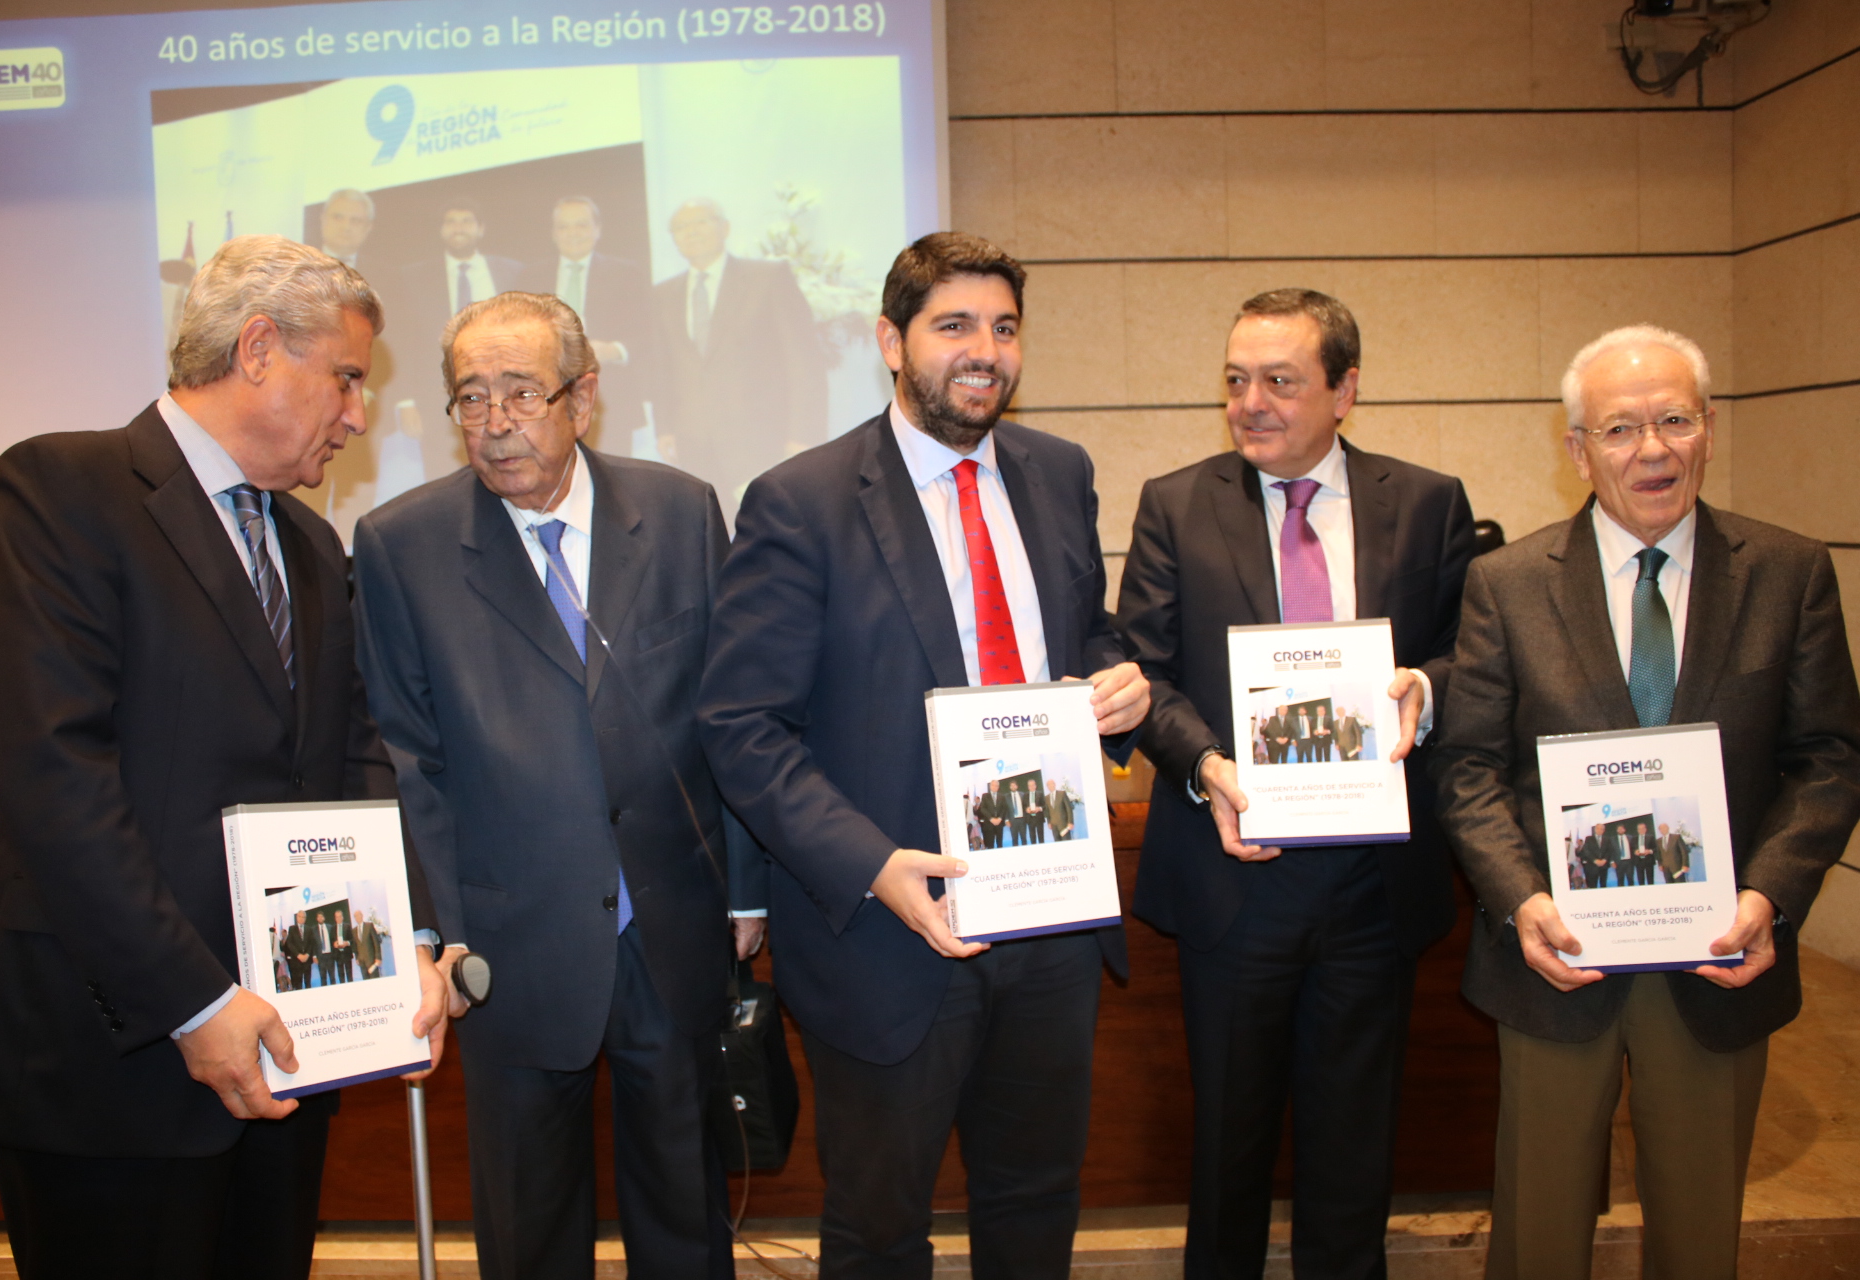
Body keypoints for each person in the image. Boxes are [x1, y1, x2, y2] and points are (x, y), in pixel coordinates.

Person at [0, 234, 446, 1279]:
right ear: (259, 348)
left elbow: (351, 763)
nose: (359, 412)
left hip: (284, 1057)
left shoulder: (309, 544)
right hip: (116, 1061)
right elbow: (57, 782)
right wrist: (195, 1000)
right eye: (347, 377)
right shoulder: (58, 492)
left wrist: (399, 941)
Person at [698, 231, 1149, 1277]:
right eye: (953, 326)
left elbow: (1084, 636)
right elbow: (742, 723)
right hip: (890, 931)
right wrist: (871, 864)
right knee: (880, 1229)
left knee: (1035, 1203)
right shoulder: (800, 500)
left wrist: (1117, 683)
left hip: (1050, 917)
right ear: (891, 342)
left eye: (1002, 327)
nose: (982, 349)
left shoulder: (1057, 471)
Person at [353, 289, 766, 1279]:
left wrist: (746, 888)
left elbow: (732, 713)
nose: (494, 424)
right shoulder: (401, 544)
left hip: (670, 924)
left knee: (684, 1213)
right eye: (469, 397)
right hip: (507, 941)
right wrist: (436, 929)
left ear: (583, 397)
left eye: (520, 393)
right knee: (529, 1224)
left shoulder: (678, 510)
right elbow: (409, 756)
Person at [1434, 323, 1860, 1280]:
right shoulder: (1505, 585)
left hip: (1721, 959)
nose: (1653, 449)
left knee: (1700, 1238)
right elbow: (1468, 768)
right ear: (1578, 449)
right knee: (1538, 1237)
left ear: (1709, 430)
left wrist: (1771, 898)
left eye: (1674, 420)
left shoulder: (1790, 574)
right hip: (1557, 960)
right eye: (1621, 429)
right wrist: (1520, 901)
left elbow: (1828, 757)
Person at [1116, 287, 1475, 1279]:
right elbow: (1145, 672)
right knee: (1227, 1152)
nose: (1250, 403)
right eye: (1236, 380)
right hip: (1235, 879)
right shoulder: (1176, 502)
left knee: (1355, 1155)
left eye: (1280, 380)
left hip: (1373, 884)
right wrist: (1207, 766)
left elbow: (1468, 654)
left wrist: (1426, 689)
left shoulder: (1432, 500)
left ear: (1345, 389)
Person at [650, 198, 826, 511]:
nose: (691, 232)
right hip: (693, 444)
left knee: (771, 533)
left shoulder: (767, 278)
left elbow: (803, 362)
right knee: (708, 537)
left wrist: (802, 435)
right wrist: (664, 427)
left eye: (701, 222)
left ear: (724, 228)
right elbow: (663, 367)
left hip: (761, 439)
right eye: (681, 227)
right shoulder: (663, 294)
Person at [533, 196, 655, 457]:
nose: (573, 233)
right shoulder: (531, 276)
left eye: (581, 225)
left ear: (597, 230)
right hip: (547, 402)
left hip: (612, 400)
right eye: (564, 227)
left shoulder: (626, 273)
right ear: (554, 234)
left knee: (613, 481)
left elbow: (647, 332)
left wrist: (615, 350)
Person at [401, 202, 524, 327]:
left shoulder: (512, 270)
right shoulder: (415, 276)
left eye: (467, 221)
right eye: (450, 222)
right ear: (441, 231)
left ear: (481, 229)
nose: (458, 229)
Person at [315, 188, 375, 273]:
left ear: (367, 228)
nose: (346, 227)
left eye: (355, 220)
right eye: (338, 218)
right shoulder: (298, 265)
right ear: (323, 219)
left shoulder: (385, 273)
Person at [286, 909, 314, 991]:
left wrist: (307, 955)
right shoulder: (292, 929)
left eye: (303, 917)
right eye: (300, 916)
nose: (302, 918)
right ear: (297, 917)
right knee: (298, 984)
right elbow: (290, 944)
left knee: (308, 983)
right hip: (296, 961)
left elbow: (311, 943)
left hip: (307, 960)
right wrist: (298, 955)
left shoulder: (309, 929)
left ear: (305, 918)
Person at [977, 779, 1008, 848]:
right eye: (993, 785)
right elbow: (983, 808)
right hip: (989, 824)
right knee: (990, 844)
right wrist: (991, 819)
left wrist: (1000, 818)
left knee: (1000, 844)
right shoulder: (985, 796)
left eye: (997, 786)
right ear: (990, 786)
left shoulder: (1002, 796)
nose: (995, 787)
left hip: (999, 824)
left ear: (998, 787)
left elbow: (1004, 808)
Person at [353, 909, 383, 981]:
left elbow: (376, 942)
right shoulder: (354, 931)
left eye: (358, 915)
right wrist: (357, 957)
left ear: (362, 916)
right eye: (355, 916)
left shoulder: (369, 926)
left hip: (372, 960)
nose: (357, 917)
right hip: (362, 962)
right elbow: (355, 945)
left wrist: (378, 957)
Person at [1584, 822, 1613, 888]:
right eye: (1599, 828)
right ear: (1595, 829)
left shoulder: (1607, 839)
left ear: (1604, 830)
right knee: (1593, 886)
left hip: (1604, 867)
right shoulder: (1588, 839)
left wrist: (1604, 860)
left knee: (1603, 885)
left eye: (1602, 829)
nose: (1600, 830)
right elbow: (1586, 851)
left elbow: (1609, 851)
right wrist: (1595, 860)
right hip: (1592, 866)